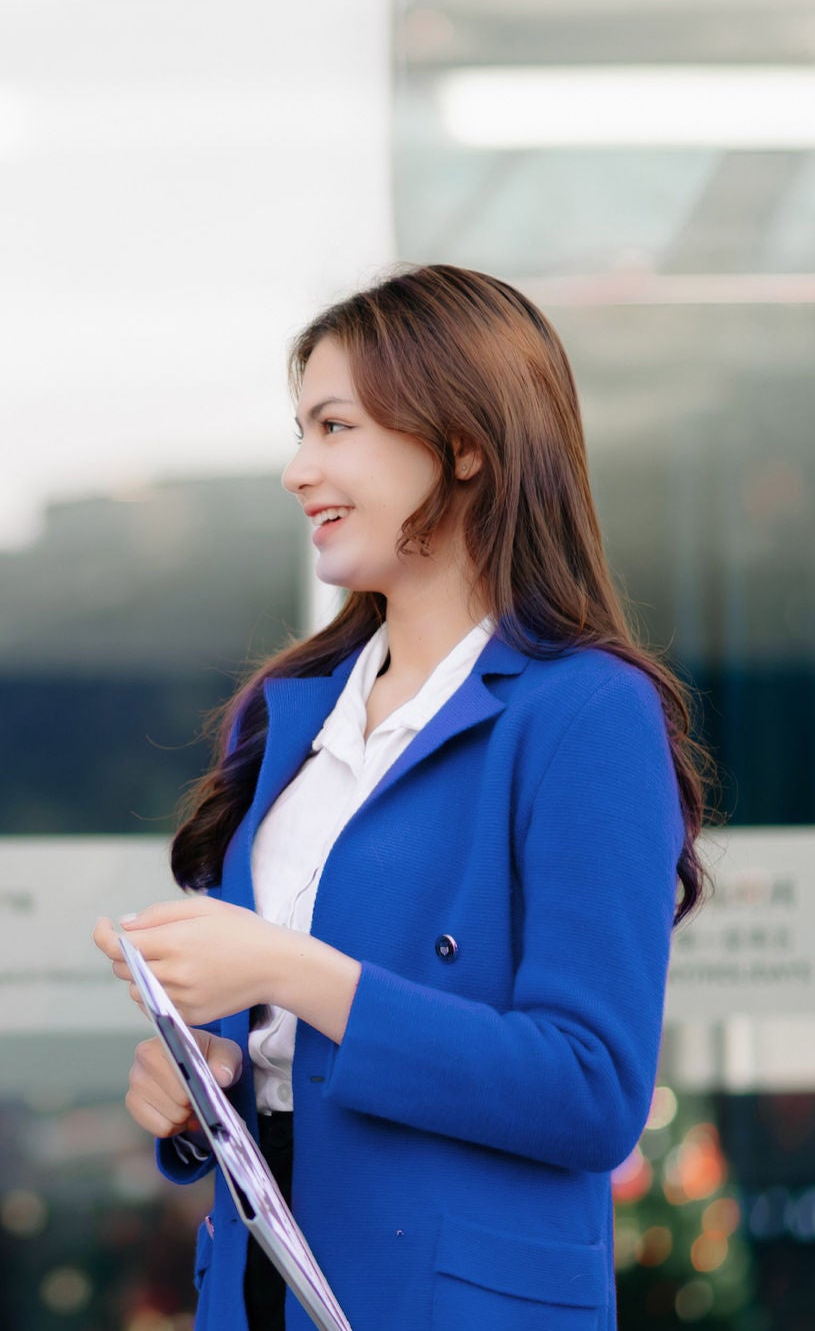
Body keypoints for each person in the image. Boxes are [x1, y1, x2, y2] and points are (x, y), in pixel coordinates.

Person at [93, 264, 709, 1330]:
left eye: (334, 427)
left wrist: (290, 970)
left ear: (463, 443)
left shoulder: (584, 714)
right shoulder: (285, 714)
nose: (297, 470)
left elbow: (591, 1090)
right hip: (257, 1296)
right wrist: (200, 1090)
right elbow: (286, 1069)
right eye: (299, 430)